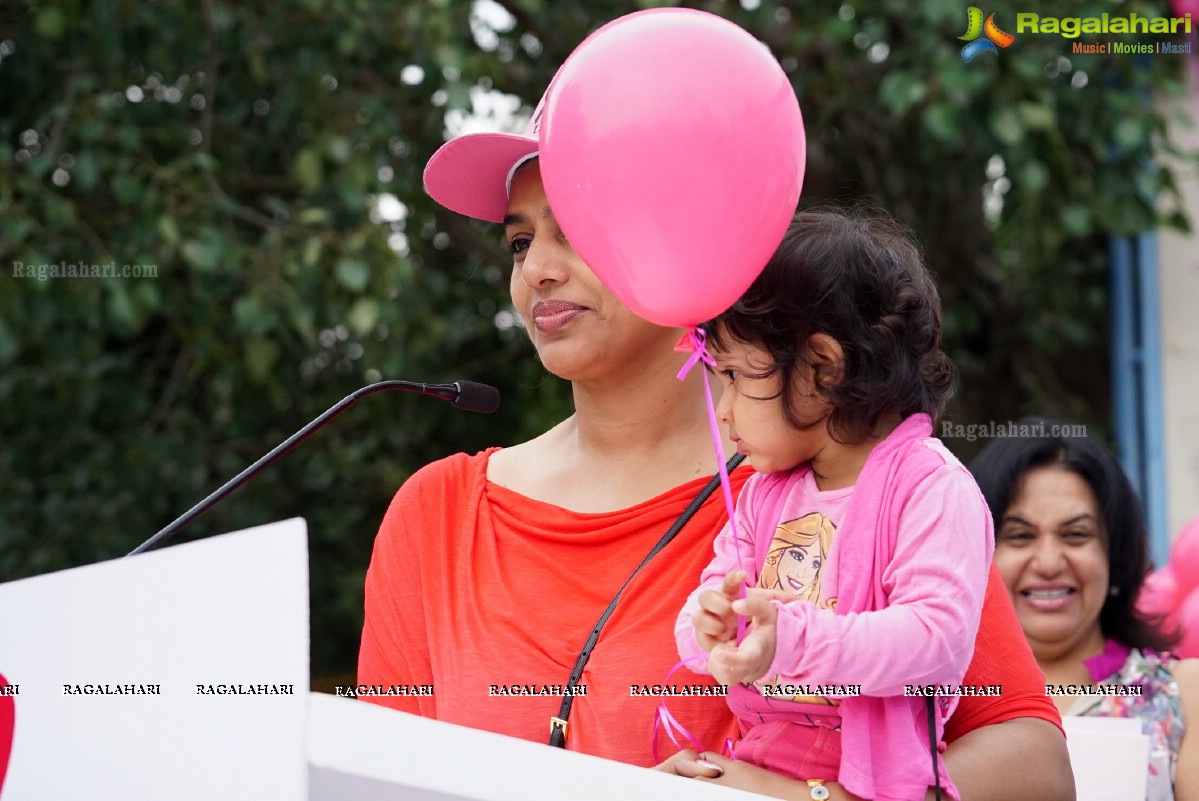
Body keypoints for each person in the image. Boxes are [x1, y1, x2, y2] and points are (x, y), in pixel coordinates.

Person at [357, 86, 1074, 800]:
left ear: (688, 243)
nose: (535, 270)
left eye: (576, 226)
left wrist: (807, 797)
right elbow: (376, 778)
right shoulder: (437, 512)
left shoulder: (846, 484)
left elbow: (1036, 767)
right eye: (519, 241)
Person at [674, 209, 993, 801]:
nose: (722, 410)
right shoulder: (763, 495)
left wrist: (794, 639)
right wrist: (708, 623)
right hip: (759, 759)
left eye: (739, 376)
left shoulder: (931, 486)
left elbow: (937, 637)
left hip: (875, 780)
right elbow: (711, 607)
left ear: (822, 368)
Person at [970, 419, 1199, 800]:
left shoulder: (1185, 692)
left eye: (1076, 534)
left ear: (1116, 553)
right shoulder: (929, 702)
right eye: (1020, 536)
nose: (1047, 562)